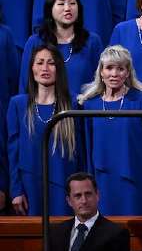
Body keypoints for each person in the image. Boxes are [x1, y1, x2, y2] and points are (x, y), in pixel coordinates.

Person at [77, 45, 142, 217]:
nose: (114, 74)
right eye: (109, 68)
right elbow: (86, 148)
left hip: (137, 181)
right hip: (103, 183)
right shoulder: (90, 105)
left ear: (128, 72)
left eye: (120, 68)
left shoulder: (140, 101)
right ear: (101, 72)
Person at [7, 44, 84, 216]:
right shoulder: (18, 104)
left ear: (59, 69)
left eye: (51, 63)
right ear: (31, 68)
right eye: (39, 62)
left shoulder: (73, 104)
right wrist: (16, 190)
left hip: (64, 184)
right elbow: (13, 151)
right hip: (29, 186)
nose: (45, 68)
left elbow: (81, 150)